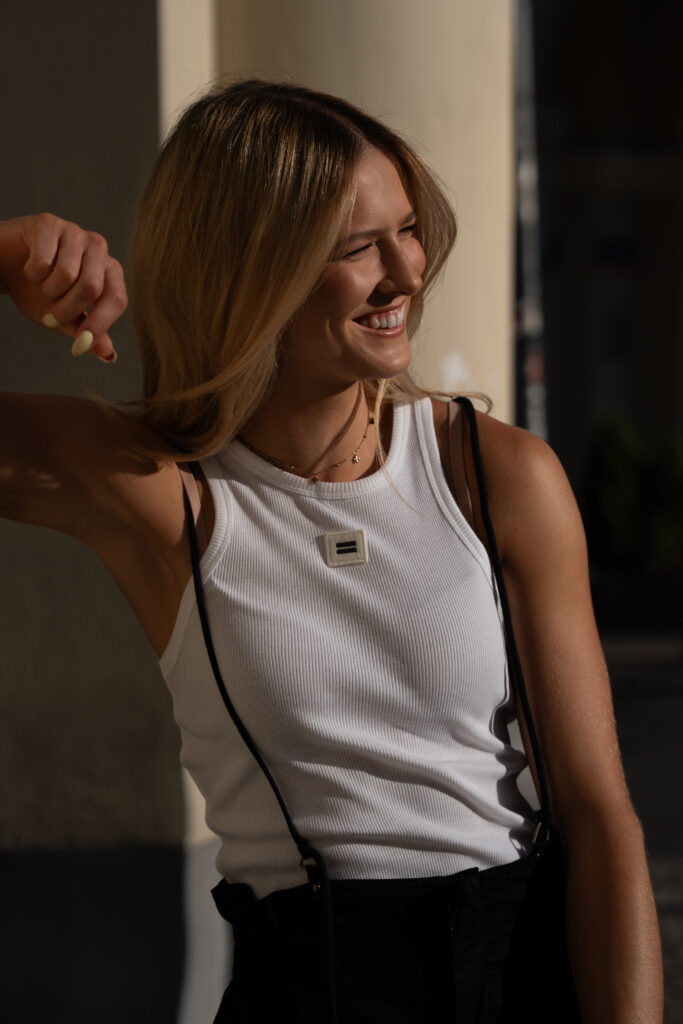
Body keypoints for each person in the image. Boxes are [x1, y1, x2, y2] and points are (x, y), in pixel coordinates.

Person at [0, 80, 663, 1022]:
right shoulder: (161, 492)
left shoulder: (497, 475)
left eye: (408, 231)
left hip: (518, 985)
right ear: (249, 268)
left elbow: (599, 822)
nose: (405, 272)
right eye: (357, 247)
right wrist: (5, 256)